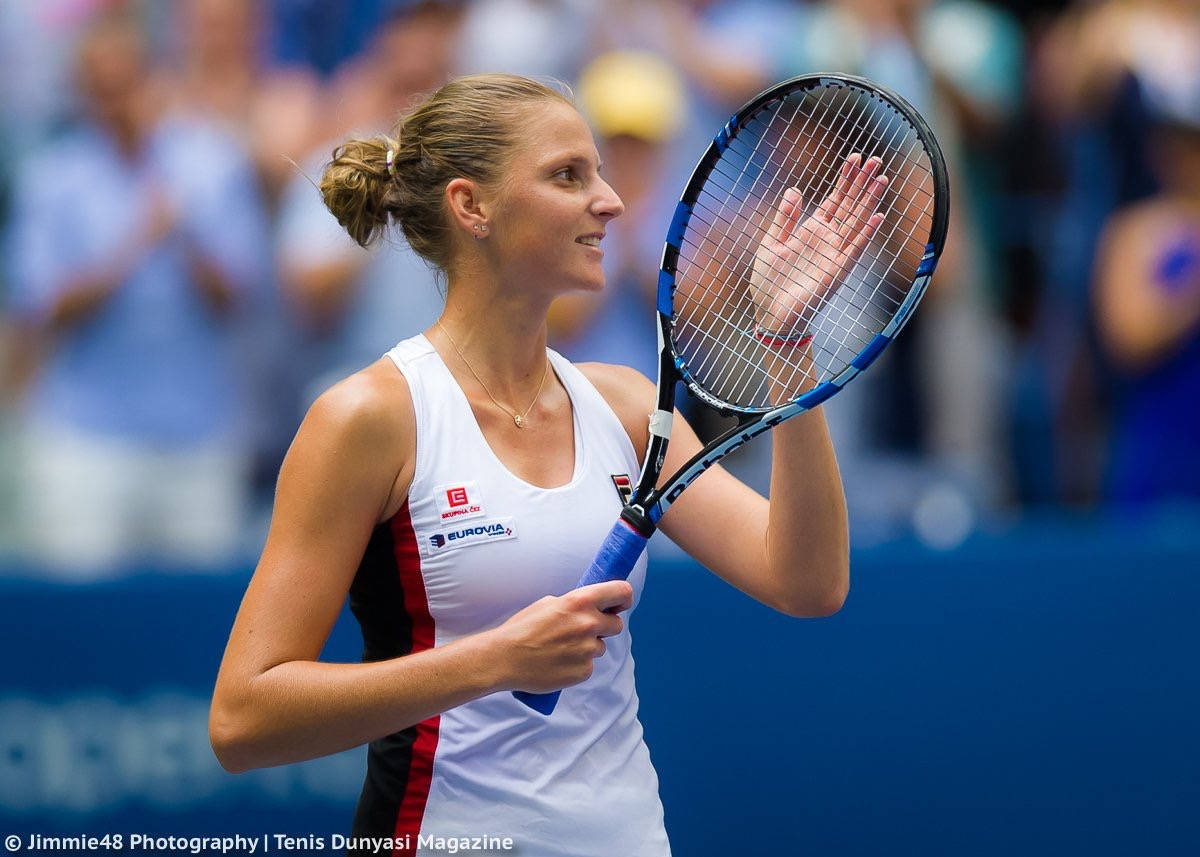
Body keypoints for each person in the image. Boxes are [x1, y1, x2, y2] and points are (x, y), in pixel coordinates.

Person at [210, 74, 851, 855]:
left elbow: (808, 581)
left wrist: (789, 351)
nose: (609, 200)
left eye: (600, 172)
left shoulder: (624, 406)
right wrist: (491, 661)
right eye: (568, 175)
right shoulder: (370, 418)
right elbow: (243, 718)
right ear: (471, 206)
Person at [5, 10, 268, 575]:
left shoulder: (213, 161)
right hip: (85, 434)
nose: (115, 102)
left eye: (125, 85)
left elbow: (239, 297)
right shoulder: (52, 177)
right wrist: (134, 244)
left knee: (201, 623)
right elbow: (43, 307)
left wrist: (185, 236)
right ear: (81, 95)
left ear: (154, 81)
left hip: (198, 432)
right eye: (100, 90)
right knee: (83, 624)